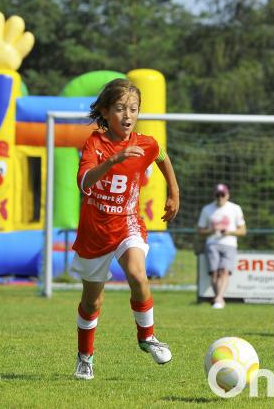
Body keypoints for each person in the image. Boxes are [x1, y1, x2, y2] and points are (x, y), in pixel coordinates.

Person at [70, 78, 180, 380]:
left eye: (133, 109)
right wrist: (113, 160)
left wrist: (174, 193)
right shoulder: (94, 143)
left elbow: (161, 156)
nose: (127, 115)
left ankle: (147, 337)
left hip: (127, 223)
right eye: (120, 108)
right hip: (94, 231)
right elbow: (84, 183)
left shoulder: (145, 143)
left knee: (137, 273)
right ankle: (85, 357)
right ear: (105, 112)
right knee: (92, 301)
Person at [197, 183, 247, 309]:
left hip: (229, 244)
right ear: (214, 195)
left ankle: (218, 298)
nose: (220, 197)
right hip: (212, 244)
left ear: (227, 195)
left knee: (224, 271)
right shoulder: (207, 209)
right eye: (218, 195)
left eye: (222, 194)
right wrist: (211, 231)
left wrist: (229, 232)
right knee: (214, 273)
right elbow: (200, 230)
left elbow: (243, 231)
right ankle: (219, 299)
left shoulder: (235, 208)